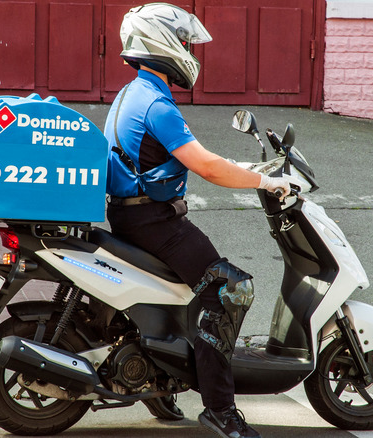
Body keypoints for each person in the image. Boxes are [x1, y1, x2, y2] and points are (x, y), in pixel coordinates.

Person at [104, 4, 290, 438]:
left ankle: (159, 385)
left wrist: (247, 168)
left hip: (134, 215)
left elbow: (195, 155)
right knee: (228, 290)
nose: (189, 50)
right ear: (162, 44)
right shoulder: (157, 104)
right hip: (155, 222)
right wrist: (262, 182)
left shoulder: (134, 93)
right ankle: (221, 410)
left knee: (192, 291)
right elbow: (205, 167)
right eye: (184, 42)